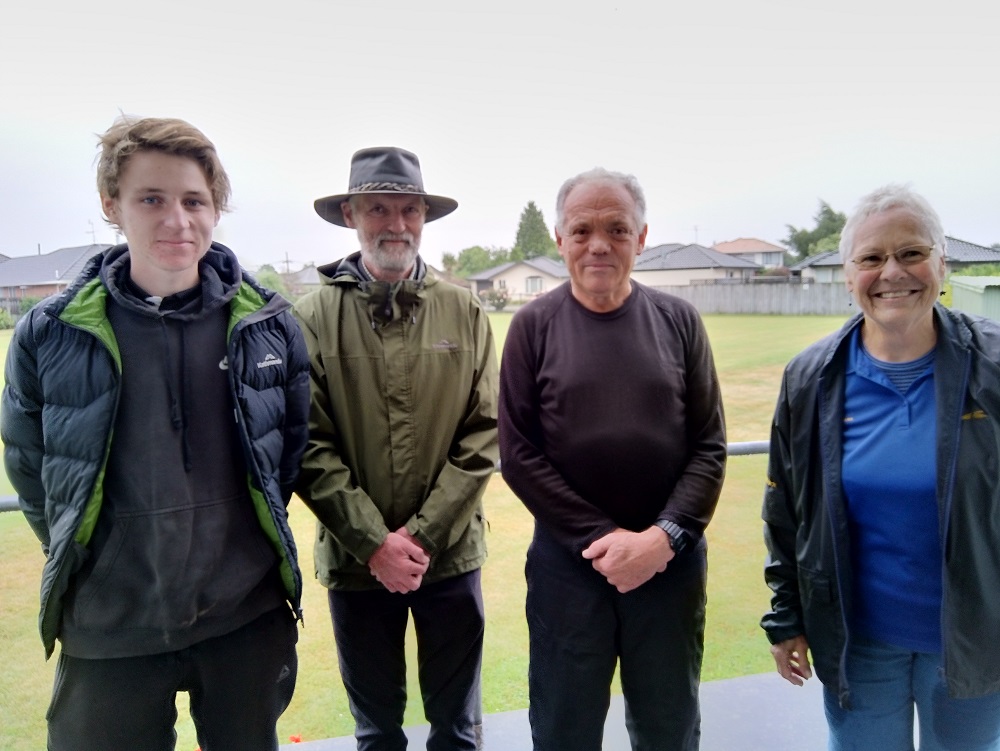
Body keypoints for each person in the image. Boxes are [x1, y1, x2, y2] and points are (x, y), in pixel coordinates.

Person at [1, 115, 310, 751]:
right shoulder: (51, 332)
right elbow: (32, 468)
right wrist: (97, 559)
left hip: (244, 619)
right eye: (151, 199)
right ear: (111, 206)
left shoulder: (269, 324)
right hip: (110, 626)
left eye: (194, 200)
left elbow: (286, 452)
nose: (177, 220)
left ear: (215, 208)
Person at [762, 184, 1000, 750]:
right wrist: (786, 616)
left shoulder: (993, 365)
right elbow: (785, 509)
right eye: (871, 258)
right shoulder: (810, 379)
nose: (892, 272)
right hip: (858, 644)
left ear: (942, 263)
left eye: (911, 252)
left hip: (975, 637)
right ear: (849, 275)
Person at [498, 167, 727, 751]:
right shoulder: (531, 328)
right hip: (568, 571)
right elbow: (519, 454)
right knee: (564, 729)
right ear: (560, 240)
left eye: (617, 229)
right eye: (582, 231)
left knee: (668, 728)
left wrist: (663, 539)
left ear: (641, 237)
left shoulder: (679, 321)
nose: (598, 244)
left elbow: (708, 445)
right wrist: (603, 540)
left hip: (668, 566)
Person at [294, 146, 498, 751]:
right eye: (378, 208)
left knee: (457, 728)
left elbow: (485, 431)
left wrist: (423, 536)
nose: (396, 224)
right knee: (377, 730)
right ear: (351, 215)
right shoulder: (311, 317)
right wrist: (374, 544)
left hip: (450, 558)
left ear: (424, 216)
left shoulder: (463, 310)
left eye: (408, 209)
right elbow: (308, 443)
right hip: (356, 566)